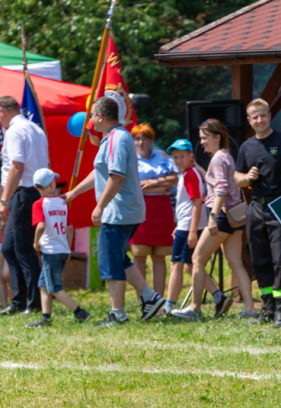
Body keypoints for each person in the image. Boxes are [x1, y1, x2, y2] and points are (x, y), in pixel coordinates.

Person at [64, 96, 165, 326]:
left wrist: (100, 206)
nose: (89, 120)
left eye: (91, 115)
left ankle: (118, 314)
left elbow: (116, 177)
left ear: (100, 116)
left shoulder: (117, 139)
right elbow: (100, 172)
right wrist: (74, 193)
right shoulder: (111, 138)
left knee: (110, 263)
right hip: (122, 210)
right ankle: (149, 298)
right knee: (119, 258)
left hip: (118, 212)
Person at [173, 123, 257, 320]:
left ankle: (195, 309)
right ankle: (251, 310)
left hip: (221, 215)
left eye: (205, 137)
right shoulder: (225, 156)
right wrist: (201, 170)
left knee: (196, 260)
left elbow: (220, 190)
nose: (201, 142)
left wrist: (212, 218)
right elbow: (217, 182)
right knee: (236, 263)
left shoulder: (218, 159)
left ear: (217, 137)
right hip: (235, 217)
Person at [235, 98, 281, 328]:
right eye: (255, 117)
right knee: (259, 259)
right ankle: (267, 306)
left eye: (263, 115)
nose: (259, 120)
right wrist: (247, 178)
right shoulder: (246, 147)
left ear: (270, 115)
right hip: (256, 207)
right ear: (249, 120)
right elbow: (238, 178)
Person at [0, 96, 49, 315]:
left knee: (24, 249)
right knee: (9, 247)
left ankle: (33, 304)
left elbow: (16, 167)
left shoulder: (15, 131)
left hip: (24, 192)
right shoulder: (35, 128)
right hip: (29, 191)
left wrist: (4, 200)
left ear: (2, 111)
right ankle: (19, 301)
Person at [26, 168, 91, 327]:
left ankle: (80, 313)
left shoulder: (38, 204)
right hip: (62, 249)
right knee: (43, 285)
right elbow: (69, 229)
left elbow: (40, 226)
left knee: (54, 287)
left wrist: (35, 243)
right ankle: (45, 317)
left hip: (50, 251)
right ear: (52, 185)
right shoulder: (63, 203)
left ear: (37, 188)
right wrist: (68, 248)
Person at [129, 123, 178, 297]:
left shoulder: (161, 154)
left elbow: (175, 179)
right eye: (137, 138)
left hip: (162, 210)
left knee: (159, 256)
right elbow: (134, 186)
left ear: (151, 140)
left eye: (145, 138)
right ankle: (143, 298)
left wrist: (153, 183)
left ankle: (159, 298)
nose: (141, 142)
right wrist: (161, 185)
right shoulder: (130, 158)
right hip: (140, 210)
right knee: (139, 256)